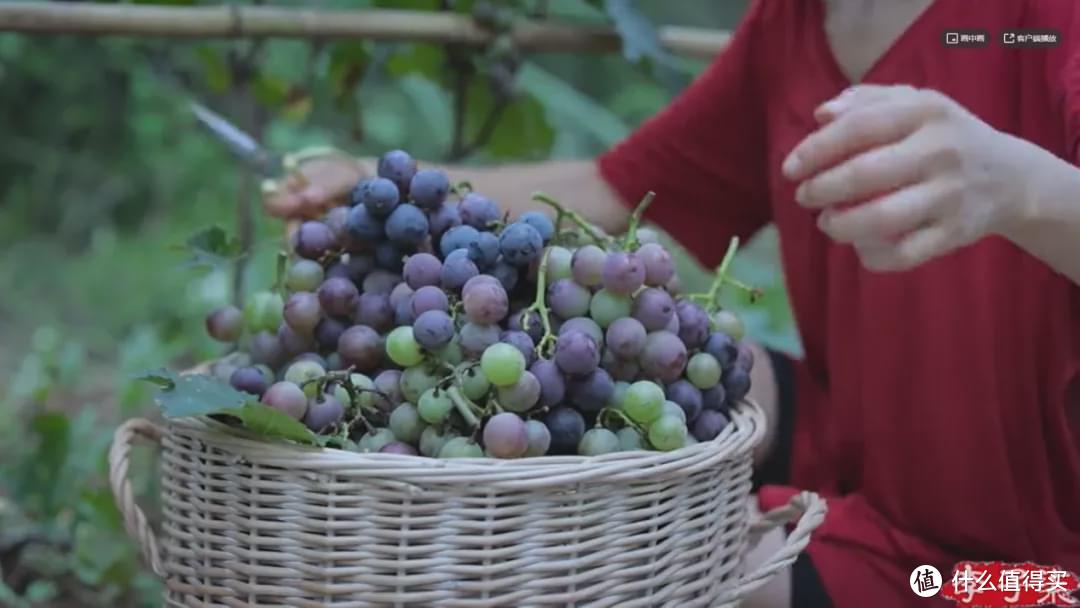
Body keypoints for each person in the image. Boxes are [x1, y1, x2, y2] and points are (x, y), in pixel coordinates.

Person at [264, 1, 1080, 606]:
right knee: (679, 379)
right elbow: (613, 187)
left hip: (1019, 573)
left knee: (644, 580)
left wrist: (1025, 190)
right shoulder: (792, 25)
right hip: (870, 450)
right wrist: (383, 183)